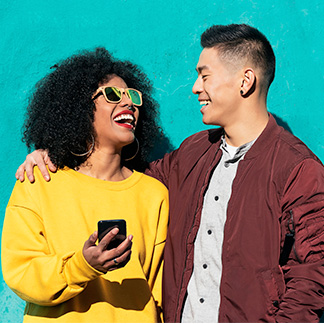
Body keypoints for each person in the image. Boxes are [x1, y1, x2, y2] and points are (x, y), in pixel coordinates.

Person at [15, 24, 324, 323]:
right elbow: (118, 176)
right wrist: (54, 152)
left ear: (245, 81)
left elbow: (312, 274)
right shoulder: (193, 154)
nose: (195, 87)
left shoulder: (298, 169)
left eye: (204, 75)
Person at [2, 47, 169, 323]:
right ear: (78, 107)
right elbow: (21, 273)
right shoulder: (39, 181)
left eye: (133, 97)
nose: (128, 103)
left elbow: (161, 292)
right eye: (113, 95)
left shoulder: (154, 195)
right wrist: (82, 265)